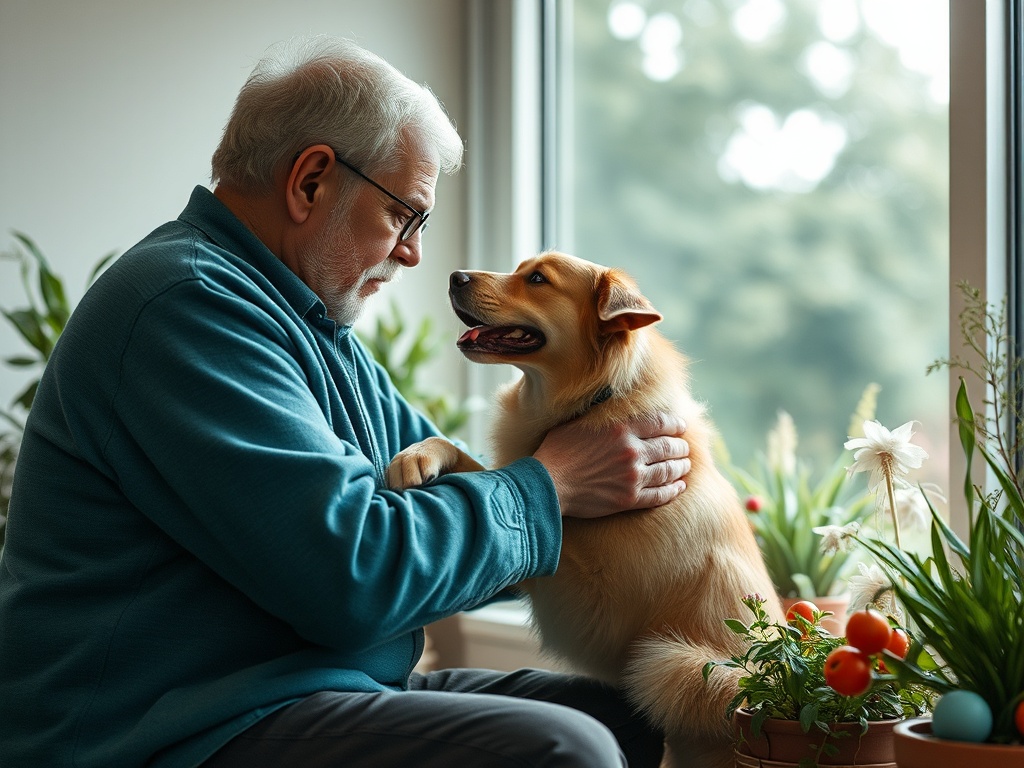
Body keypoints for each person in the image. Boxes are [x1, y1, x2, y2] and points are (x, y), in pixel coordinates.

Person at [0, 37, 691, 768]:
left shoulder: (309, 326)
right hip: (166, 729)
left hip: (302, 687)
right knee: (565, 750)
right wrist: (555, 484)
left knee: (633, 717)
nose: (413, 252)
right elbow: (356, 576)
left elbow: (448, 513)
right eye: (404, 215)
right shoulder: (184, 306)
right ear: (311, 182)